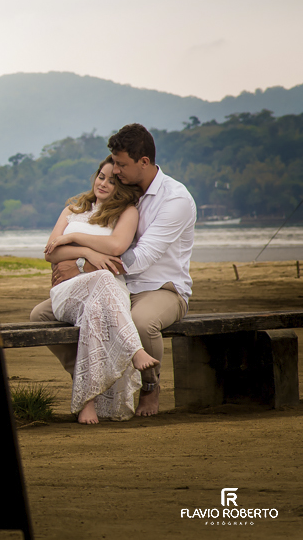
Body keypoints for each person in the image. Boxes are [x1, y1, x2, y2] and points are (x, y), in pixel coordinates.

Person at [31, 123, 195, 417]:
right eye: (112, 165)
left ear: (143, 162)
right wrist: (86, 259)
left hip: (159, 287)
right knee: (42, 316)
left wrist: (85, 255)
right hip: (114, 283)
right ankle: (93, 379)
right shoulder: (121, 195)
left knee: (141, 321)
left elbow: (141, 257)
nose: (115, 171)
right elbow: (59, 248)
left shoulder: (175, 200)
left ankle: (150, 387)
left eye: (121, 165)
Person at [38, 157, 157, 422]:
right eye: (101, 177)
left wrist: (72, 237)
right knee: (103, 278)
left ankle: (87, 402)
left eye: (112, 181)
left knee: (95, 309)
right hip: (69, 291)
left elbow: (116, 247)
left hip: (106, 292)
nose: (103, 183)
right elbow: (51, 253)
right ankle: (134, 349)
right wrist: (86, 251)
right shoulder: (73, 209)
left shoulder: (127, 212)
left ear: (122, 187)